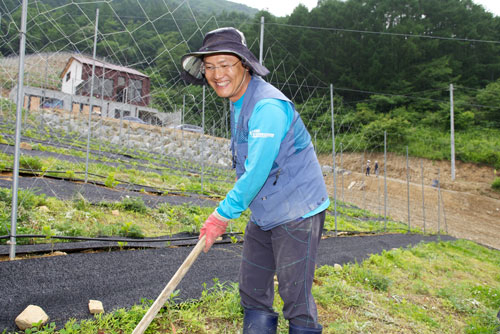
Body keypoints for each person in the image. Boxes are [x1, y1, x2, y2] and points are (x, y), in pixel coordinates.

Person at [181, 27, 330, 334]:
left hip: (297, 211)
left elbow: (257, 171)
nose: (216, 74)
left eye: (225, 64)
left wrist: (221, 215)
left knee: (295, 298)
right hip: (265, 210)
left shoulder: (268, 108)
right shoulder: (239, 99)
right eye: (209, 67)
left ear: (244, 65)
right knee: (252, 287)